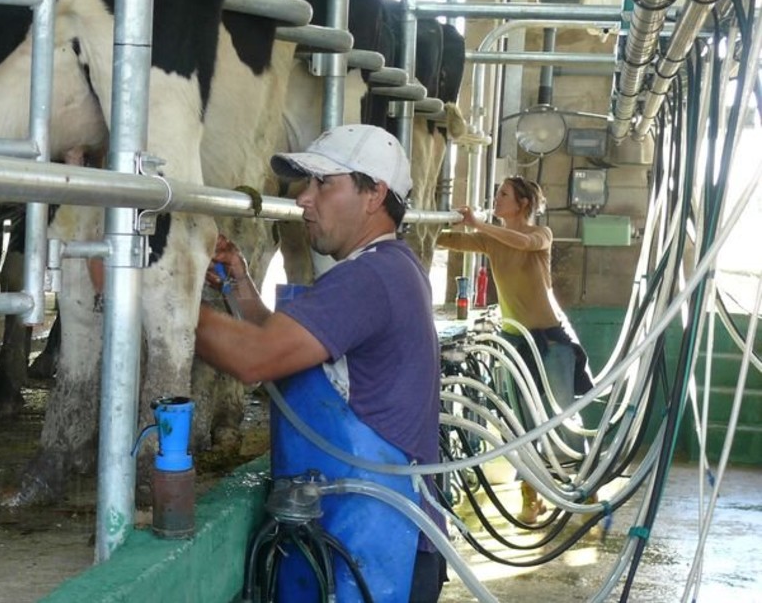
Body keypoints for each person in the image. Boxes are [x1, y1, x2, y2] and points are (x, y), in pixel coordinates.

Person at [195, 124, 446, 602]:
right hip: (361, 541)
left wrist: (161, 294)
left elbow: (255, 359)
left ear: (374, 194)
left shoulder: (368, 278)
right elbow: (293, 352)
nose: (303, 200)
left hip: (373, 548)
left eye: (322, 184)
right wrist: (239, 286)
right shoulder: (392, 266)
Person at [436, 175, 595, 524]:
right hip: (514, 338)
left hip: (550, 339)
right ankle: (531, 494)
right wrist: (428, 223)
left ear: (523, 204)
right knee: (521, 422)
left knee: (563, 416)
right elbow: (445, 240)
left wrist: (478, 224)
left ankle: (583, 484)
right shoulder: (491, 240)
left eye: (503, 194)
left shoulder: (541, 236)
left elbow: (522, 243)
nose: (497, 198)